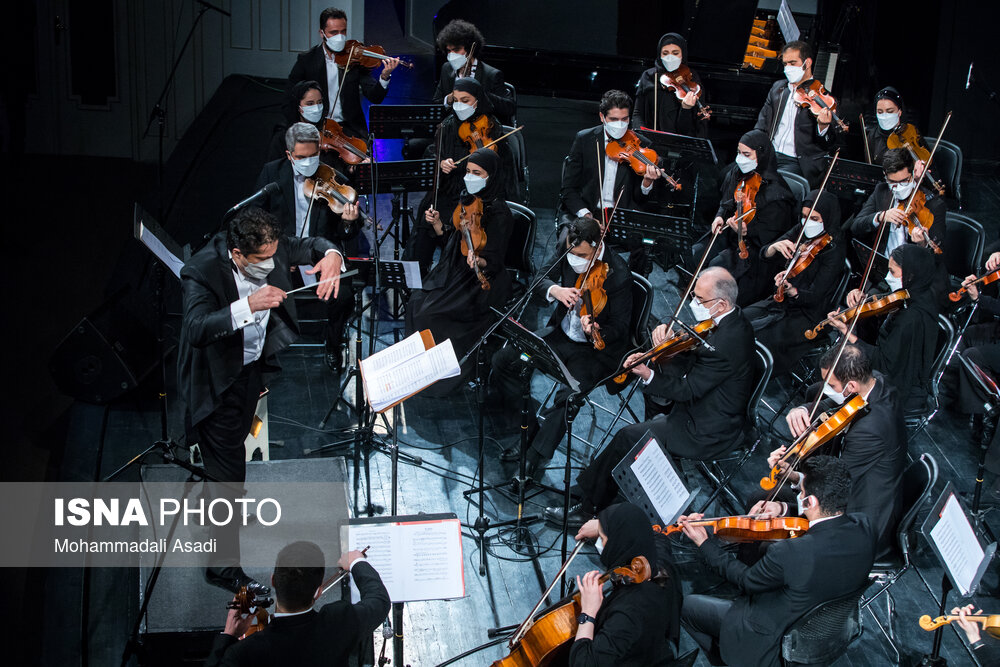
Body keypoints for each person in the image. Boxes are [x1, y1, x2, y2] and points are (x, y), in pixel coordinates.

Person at [178, 207, 346, 594]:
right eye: (262, 261)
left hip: (249, 372)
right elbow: (196, 328)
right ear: (237, 254)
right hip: (216, 382)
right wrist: (248, 305)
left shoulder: (270, 246)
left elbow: (310, 246)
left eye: (274, 255)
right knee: (229, 479)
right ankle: (221, 567)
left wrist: (332, 255)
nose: (272, 265)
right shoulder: (201, 270)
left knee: (232, 455)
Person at [547, 267, 754, 528]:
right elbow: (694, 360)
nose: (694, 304)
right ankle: (588, 488)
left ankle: (588, 509)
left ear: (722, 303)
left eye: (700, 300)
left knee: (629, 436)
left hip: (707, 428)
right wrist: (664, 347)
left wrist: (647, 372)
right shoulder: (728, 320)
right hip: (703, 404)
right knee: (642, 419)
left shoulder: (727, 342)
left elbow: (688, 389)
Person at [679, 455, 876, 667]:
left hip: (771, 636)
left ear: (810, 501)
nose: (799, 496)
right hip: (824, 629)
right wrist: (783, 509)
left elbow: (747, 580)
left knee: (688, 607)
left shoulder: (791, 553)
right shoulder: (865, 526)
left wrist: (705, 543)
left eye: (801, 492)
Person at [491, 217, 632, 479]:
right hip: (560, 334)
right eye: (571, 253)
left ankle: (535, 457)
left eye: (581, 255)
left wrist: (597, 330)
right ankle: (529, 432)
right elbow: (540, 278)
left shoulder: (619, 274)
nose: (574, 260)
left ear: (596, 245)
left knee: (569, 396)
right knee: (504, 360)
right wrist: (555, 290)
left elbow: (622, 327)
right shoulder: (569, 246)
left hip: (593, 351)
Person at [758, 344, 907, 557]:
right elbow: (835, 402)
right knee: (760, 497)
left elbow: (834, 486)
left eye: (831, 384)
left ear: (852, 386)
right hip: (846, 486)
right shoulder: (877, 381)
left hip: (858, 516)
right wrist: (803, 408)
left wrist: (789, 490)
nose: (826, 388)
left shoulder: (870, 432)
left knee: (772, 544)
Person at [404, 149, 513, 394]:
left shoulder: (499, 213)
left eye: (477, 173)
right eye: (468, 172)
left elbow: (495, 260)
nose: (469, 177)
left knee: (430, 314)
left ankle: (440, 378)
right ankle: (421, 370)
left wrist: (480, 261)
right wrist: (438, 225)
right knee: (415, 302)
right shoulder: (466, 199)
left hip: (478, 279)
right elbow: (454, 243)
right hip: (453, 269)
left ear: (491, 176)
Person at [255, 122, 360, 372]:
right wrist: (278, 252)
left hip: (320, 255)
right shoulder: (272, 173)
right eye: (301, 157)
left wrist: (348, 223)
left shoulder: (335, 180)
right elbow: (256, 217)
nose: (308, 162)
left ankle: (332, 345)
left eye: (313, 155)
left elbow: (346, 235)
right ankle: (263, 349)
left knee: (344, 294)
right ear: (289, 155)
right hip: (280, 251)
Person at [205, 541, 390, 666]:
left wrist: (228, 636)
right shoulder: (339, 622)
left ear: (273, 581)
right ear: (318, 592)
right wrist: (356, 561)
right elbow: (379, 601)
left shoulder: (243, 653)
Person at [406, 76, 514, 275]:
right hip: (448, 190)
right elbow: (433, 152)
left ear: (478, 100)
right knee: (425, 222)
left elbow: (500, 168)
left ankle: (452, 278)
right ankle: (414, 280)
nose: (459, 105)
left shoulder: (492, 127)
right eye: (456, 100)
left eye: (465, 100)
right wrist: (440, 163)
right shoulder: (447, 125)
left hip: (477, 198)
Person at [743, 189, 846, 376]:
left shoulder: (834, 250)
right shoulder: (801, 231)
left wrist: (794, 291)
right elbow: (763, 254)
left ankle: (748, 377)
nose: (807, 222)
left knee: (761, 338)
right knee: (740, 320)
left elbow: (816, 295)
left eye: (814, 219)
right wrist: (774, 247)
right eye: (805, 216)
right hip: (780, 301)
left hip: (807, 313)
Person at [830, 244, 940, 414]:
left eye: (893, 272)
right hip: (890, 368)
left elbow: (883, 363)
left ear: (910, 275)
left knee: (834, 369)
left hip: (894, 385)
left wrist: (847, 333)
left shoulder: (910, 318)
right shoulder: (919, 294)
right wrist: (863, 297)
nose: (888, 278)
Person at [567, 503, 680, 666]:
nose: (602, 544)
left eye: (603, 539)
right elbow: (656, 536)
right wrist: (600, 526)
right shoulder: (660, 562)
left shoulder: (628, 613)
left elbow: (582, 663)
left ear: (617, 543)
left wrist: (588, 613)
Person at [708, 129, 796, 306]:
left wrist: (747, 230)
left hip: (758, 252)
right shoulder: (739, 173)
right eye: (739, 153)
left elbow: (770, 236)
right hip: (735, 237)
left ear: (761, 154)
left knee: (718, 266)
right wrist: (720, 216)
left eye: (746, 154)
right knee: (698, 252)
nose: (741, 158)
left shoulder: (778, 196)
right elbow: (727, 202)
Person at [288, 7, 400, 139]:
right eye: (333, 32)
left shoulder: (355, 59)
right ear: (322, 33)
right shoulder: (307, 60)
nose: (339, 37)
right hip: (318, 126)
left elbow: (375, 97)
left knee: (363, 157)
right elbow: (289, 99)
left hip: (350, 127)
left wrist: (384, 76)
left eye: (343, 32)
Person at [848, 148, 948, 295]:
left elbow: (936, 257)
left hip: (915, 279)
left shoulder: (934, 205)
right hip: (885, 274)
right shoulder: (881, 191)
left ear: (913, 173)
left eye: (904, 181)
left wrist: (922, 244)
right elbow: (856, 226)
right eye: (893, 182)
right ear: (885, 176)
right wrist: (881, 216)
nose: (899, 187)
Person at [558, 89, 662, 228]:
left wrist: (647, 183)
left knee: (640, 246)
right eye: (613, 119)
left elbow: (640, 200)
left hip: (622, 217)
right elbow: (568, 188)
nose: (620, 124)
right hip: (588, 212)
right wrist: (586, 216)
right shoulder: (585, 139)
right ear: (602, 117)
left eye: (624, 119)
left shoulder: (641, 144)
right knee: (574, 244)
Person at [753, 40, 838, 187]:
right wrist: (753, 147)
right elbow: (761, 123)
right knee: (730, 176)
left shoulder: (824, 99)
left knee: (772, 188)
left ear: (807, 63)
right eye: (785, 64)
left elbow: (830, 143)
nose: (788, 69)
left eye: (793, 63)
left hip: (797, 161)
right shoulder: (778, 88)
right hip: (770, 154)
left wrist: (823, 127)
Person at [432, 19, 515, 124]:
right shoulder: (446, 69)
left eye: (456, 49)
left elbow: (509, 108)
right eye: (449, 50)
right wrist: (448, 99)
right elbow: (436, 103)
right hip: (452, 128)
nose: (452, 54)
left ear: (470, 48)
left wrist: (480, 93)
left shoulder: (491, 74)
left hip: (479, 129)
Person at [632, 32, 708, 138]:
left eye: (675, 53)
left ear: (683, 54)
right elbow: (637, 113)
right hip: (650, 141)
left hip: (679, 144)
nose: (670, 57)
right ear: (660, 55)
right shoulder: (649, 76)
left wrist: (686, 109)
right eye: (665, 53)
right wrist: (641, 138)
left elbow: (688, 129)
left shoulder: (692, 77)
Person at [862, 86, 931, 167]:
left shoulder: (910, 132)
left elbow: (931, 168)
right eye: (880, 112)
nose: (885, 116)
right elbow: (868, 168)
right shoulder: (872, 136)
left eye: (890, 111)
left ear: (899, 112)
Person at [266, 80, 327, 163]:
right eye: (310, 104)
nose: (316, 108)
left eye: (319, 102)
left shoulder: (326, 129)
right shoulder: (283, 135)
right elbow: (274, 167)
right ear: (298, 106)